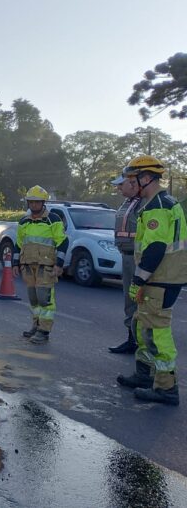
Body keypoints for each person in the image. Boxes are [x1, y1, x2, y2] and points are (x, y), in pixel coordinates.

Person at [116, 155, 187, 405]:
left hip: (160, 278)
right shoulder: (158, 202)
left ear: (145, 179)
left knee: (157, 332)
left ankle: (166, 388)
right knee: (143, 326)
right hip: (161, 278)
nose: (127, 184)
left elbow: (155, 248)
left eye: (131, 179)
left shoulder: (158, 206)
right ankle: (144, 376)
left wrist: (138, 280)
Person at [12, 185, 68, 344]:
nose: (34, 205)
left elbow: (63, 242)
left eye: (37, 202)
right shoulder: (24, 221)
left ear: (43, 203)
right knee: (33, 298)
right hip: (28, 266)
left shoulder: (53, 220)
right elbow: (18, 244)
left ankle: (44, 331)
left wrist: (59, 264)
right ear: (28, 203)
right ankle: (36, 326)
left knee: (44, 298)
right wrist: (15, 264)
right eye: (31, 202)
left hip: (46, 266)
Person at [108, 172, 142, 354]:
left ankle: (141, 342)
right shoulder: (127, 203)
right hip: (127, 257)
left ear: (132, 183)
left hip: (139, 258)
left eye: (121, 185)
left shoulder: (144, 203)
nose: (119, 188)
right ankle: (132, 339)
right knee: (129, 300)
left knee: (139, 300)